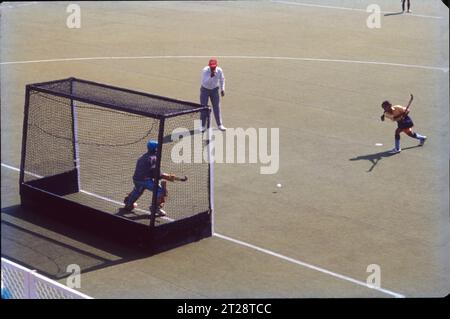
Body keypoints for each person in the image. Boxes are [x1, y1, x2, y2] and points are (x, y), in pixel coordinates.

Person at [123, 140, 177, 217]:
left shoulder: (143, 156)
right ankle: (155, 207)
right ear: (155, 149)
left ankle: (128, 204)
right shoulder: (154, 158)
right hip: (145, 180)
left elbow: (151, 172)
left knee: (138, 191)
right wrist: (167, 176)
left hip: (136, 179)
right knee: (161, 192)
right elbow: (156, 174)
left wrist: (164, 176)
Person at [200, 58, 226, 132]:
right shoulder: (205, 70)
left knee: (217, 107)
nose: (213, 68)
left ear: (216, 65)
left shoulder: (219, 70)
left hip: (215, 90)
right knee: (203, 107)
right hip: (205, 90)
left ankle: (220, 125)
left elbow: (222, 79)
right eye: (211, 67)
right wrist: (211, 76)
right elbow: (205, 82)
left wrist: (222, 89)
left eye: (214, 67)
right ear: (209, 66)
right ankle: (202, 126)